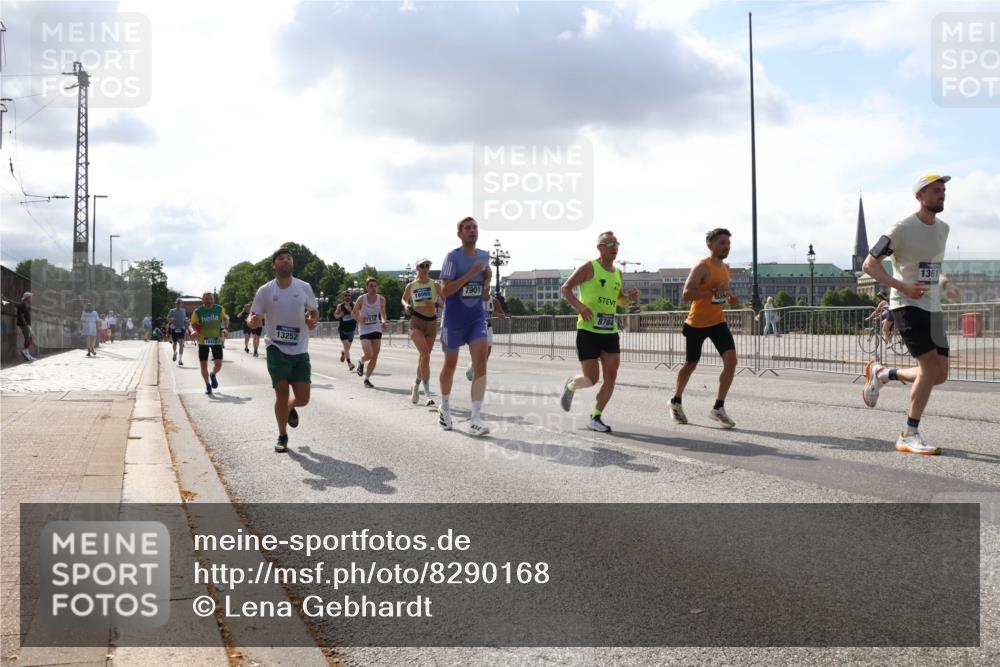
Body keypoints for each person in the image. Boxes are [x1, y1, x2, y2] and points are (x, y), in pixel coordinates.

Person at [861, 174, 960, 456]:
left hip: (933, 306)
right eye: (935, 190)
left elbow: (932, 266)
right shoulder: (901, 228)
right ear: (920, 196)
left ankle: (883, 373)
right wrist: (902, 285)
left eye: (943, 190)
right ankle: (909, 432)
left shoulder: (943, 228)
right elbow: (870, 265)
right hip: (906, 304)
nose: (942, 195)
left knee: (939, 375)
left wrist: (944, 283)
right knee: (928, 368)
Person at [558, 231, 640, 432]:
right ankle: (571, 386)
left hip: (609, 331)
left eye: (616, 244)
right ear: (600, 248)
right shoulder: (589, 267)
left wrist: (629, 298)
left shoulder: (618, 273)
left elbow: (619, 300)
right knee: (591, 379)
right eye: (609, 244)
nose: (614, 248)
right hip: (588, 330)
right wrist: (581, 307)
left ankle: (595, 417)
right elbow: (566, 289)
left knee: (611, 377)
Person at [247, 247, 319, 453]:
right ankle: (282, 436)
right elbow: (253, 316)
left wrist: (313, 319)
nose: (286, 261)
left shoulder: (303, 287)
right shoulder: (265, 291)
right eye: (281, 258)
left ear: (292, 263)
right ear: (274, 264)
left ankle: (289, 407)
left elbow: (314, 310)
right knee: (281, 392)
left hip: (300, 349)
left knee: (303, 398)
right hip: (275, 347)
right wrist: (252, 321)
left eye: (289, 258)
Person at [669, 228, 741, 428]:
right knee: (691, 364)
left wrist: (730, 298)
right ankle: (675, 401)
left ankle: (718, 407)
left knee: (731, 361)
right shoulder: (702, 266)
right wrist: (710, 292)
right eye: (722, 243)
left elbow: (721, 293)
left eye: (728, 243)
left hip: (718, 322)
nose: (726, 246)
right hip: (696, 324)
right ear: (710, 245)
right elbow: (686, 294)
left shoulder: (726, 268)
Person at [437, 216, 493, 436]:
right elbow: (445, 291)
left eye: (475, 228)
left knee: (481, 364)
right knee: (450, 364)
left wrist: (486, 280)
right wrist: (470, 274)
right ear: (459, 234)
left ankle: (475, 418)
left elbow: (485, 294)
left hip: (476, 319)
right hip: (453, 320)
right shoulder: (453, 257)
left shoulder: (484, 256)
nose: (472, 231)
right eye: (467, 228)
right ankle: (445, 406)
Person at [402, 258, 444, 405]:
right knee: (425, 354)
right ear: (417, 268)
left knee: (424, 357)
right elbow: (404, 299)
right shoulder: (411, 285)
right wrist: (407, 305)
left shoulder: (435, 285)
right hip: (416, 322)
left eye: (428, 265)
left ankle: (416, 386)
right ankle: (427, 394)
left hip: (432, 323)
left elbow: (445, 302)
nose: (425, 268)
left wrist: (436, 303)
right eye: (422, 265)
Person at [352, 277, 388, 389]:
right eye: (371, 286)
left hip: (376, 328)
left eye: (375, 286)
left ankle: (367, 378)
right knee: (369, 354)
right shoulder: (361, 299)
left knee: (375, 355)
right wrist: (359, 319)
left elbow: (383, 313)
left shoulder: (381, 299)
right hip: (364, 329)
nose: (373, 288)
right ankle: (361, 361)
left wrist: (383, 321)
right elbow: (353, 313)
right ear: (367, 287)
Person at [190, 291, 229, 395]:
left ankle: (213, 374)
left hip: (216, 340)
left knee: (219, 364)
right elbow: (193, 323)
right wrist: (194, 331)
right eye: (207, 299)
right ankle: (207, 385)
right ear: (203, 300)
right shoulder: (198, 311)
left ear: (213, 299)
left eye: (211, 299)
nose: (209, 301)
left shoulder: (219, 309)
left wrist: (225, 329)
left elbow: (225, 319)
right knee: (203, 365)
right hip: (203, 340)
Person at [466, 289, 507, 381]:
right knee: (478, 353)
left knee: (486, 355)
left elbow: (503, 316)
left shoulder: (494, 301)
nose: (486, 289)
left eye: (488, 286)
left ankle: (478, 372)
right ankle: (474, 368)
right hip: (477, 329)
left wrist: (496, 313)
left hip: (488, 328)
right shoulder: (476, 300)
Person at [333, 290, 357, 371]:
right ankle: (350, 364)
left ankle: (343, 353)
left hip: (352, 329)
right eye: (346, 295)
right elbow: (335, 315)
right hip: (343, 330)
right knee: (347, 347)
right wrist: (340, 315)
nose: (347, 297)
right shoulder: (340, 306)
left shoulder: (354, 305)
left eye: (348, 295)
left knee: (347, 349)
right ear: (343, 297)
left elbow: (358, 314)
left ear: (350, 296)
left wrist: (351, 311)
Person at [166, 299, 189, 366]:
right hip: (174, 328)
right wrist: (171, 319)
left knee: (181, 344)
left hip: (181, 328)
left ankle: (180, 360)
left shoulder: (183, 311)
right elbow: (167, 319)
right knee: (175, 343)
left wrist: (187, 324)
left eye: (179, 303)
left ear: (181, 304)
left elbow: (185, 320)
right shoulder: (172, 311)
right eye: (177, 303)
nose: (178, 304)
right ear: (175, 304)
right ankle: (175, 352)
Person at [16, 292, 35, 361]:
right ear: (27, 298)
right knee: (29, 337)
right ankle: (25, 351)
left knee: (31, 337)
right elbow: (21, 316)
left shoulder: (25, 305)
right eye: (30, 298)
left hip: (26, 324)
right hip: (24, 324)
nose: (31, 299)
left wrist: (29, 305)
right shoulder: (22, 305)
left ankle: (26, 352)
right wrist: (26, 325)